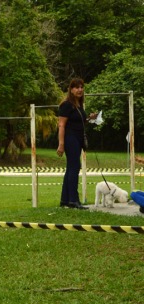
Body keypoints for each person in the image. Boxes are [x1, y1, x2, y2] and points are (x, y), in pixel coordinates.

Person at [57, 78, 98, 209]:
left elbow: (78, 121)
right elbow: (61, 125)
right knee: (74, 167)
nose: (80, 90)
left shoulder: (78, 104)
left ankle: (65, 199)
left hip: (78, 138)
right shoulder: (66, 104)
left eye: (81, 87)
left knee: (71, 168)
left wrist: (89, 118)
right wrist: (61, 144)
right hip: (70, 138)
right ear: (71, 89)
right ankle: (73, 200)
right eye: (76, 87)